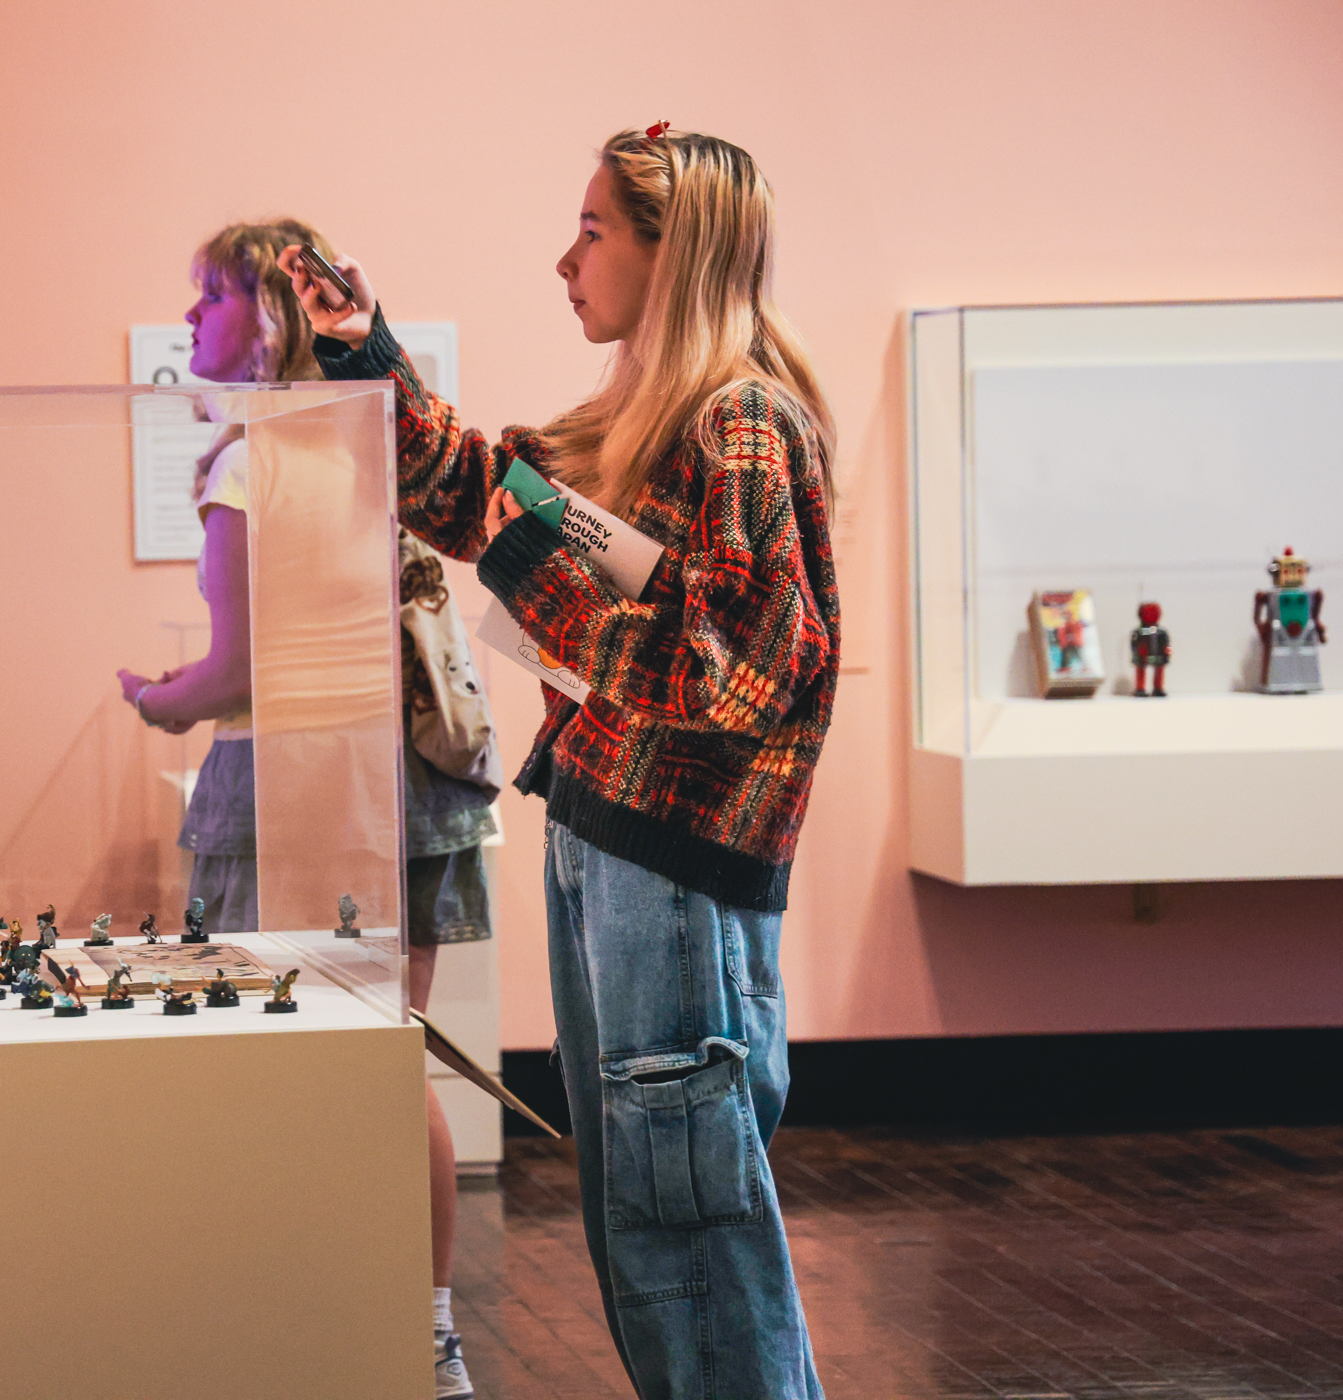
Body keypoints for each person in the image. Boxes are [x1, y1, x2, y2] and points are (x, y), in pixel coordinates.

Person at [283, 126, 839, 1399]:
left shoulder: (743, 422)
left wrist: (534, 571)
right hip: (617, 852)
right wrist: (364, 347)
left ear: (672, 249)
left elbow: (739, 674)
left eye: (593, 231)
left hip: (673, 879)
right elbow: (480, 491)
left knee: (688, 1230)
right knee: (653, 1227)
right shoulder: (651, 418)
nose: (564, 259)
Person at [119, 219, 500, 1400]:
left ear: (268, 313)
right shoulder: (372, 441)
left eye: (209, 297)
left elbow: (236, 674)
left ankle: (290, 1326)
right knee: (395, 1074)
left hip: (289, 783)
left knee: (269, 1069)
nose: (189, 321)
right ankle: (422, 1333)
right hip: (402, 778)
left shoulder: (253, 462)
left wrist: (162, 698)